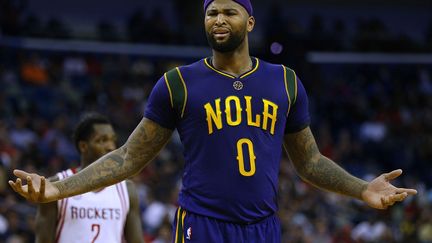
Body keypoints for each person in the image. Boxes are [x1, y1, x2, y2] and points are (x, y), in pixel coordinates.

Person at [9, 0, 417, 242]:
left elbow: (309, 163)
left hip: (262, 226)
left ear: (250, 22)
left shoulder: (285, 81)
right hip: (202, 224)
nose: (218, 19)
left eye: (229, 12)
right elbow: (128, 158)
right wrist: (57, 189)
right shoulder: (178, 83)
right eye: (211, 13)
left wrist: (363, 189)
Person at [34, 113, 144, 243]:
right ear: (83, 146)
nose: (111, 147)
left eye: (112, 140)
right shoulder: (56, 185)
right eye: (102, 140)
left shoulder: (127, 189)